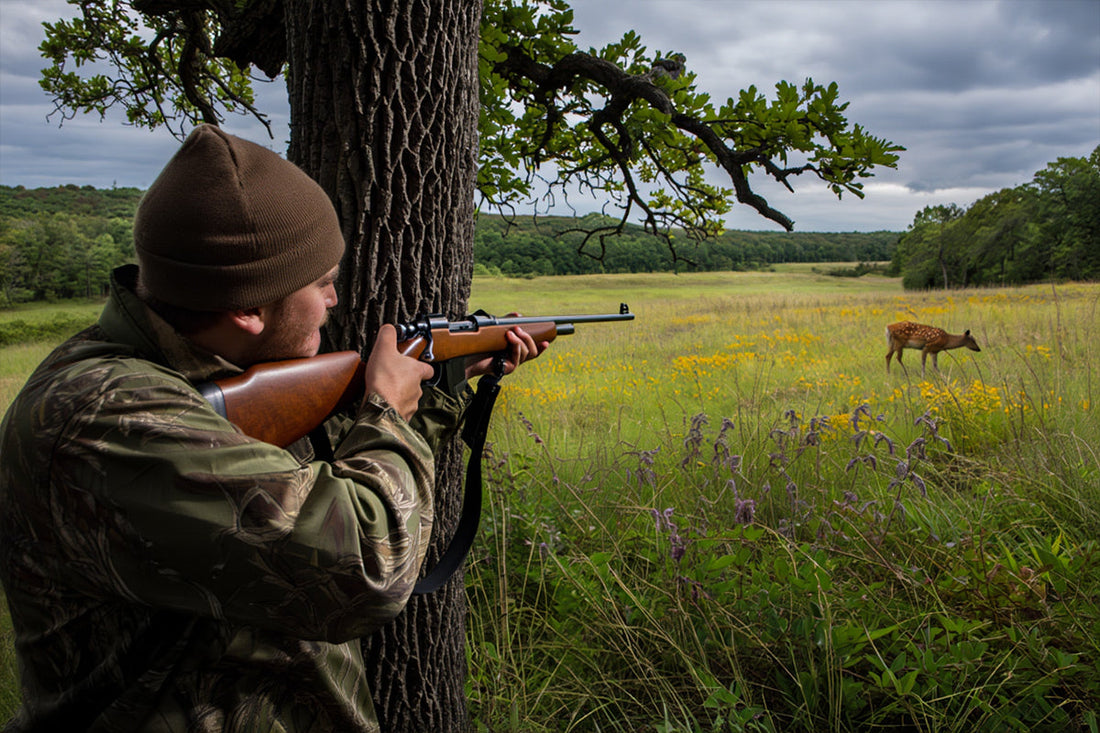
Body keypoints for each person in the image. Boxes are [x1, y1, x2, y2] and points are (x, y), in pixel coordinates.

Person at [0, 124, 545, 731]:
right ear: (247, 309)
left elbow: (307, 492)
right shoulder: (111, 419)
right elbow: (369, 565)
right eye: (323, 284)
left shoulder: (194, 380)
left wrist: (440, 390)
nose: (334, 302)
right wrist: (387, 405)